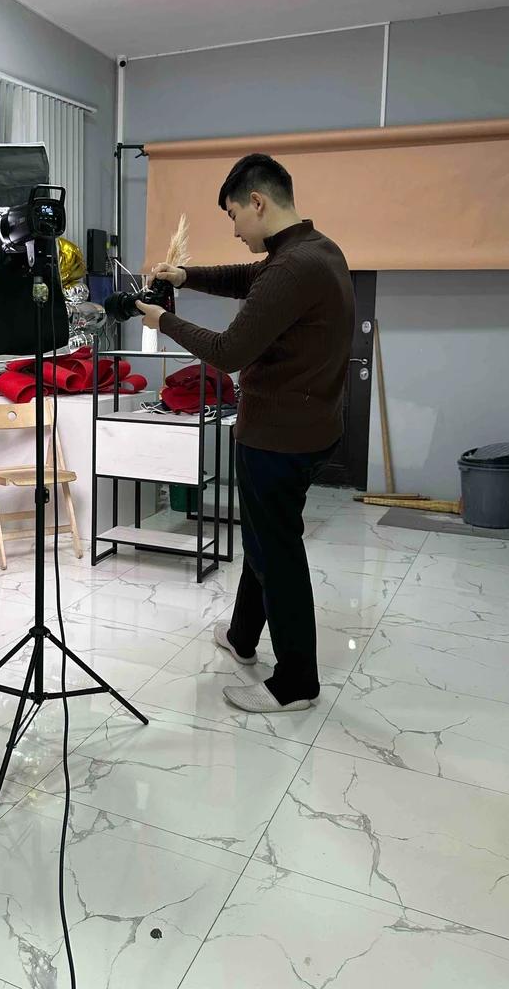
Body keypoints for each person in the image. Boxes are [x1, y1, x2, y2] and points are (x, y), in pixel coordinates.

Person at [137, 154, 354, 715]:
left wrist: (164, 322)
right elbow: (246, 278)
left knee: (274, 552)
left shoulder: (292, 268)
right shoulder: (316, 250)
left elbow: (230, 351)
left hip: (279, 436)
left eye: (234, 215)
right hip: (311, 427)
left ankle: (297, 683)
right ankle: (241, 636)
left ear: (257, 202)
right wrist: (187, 277)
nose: (234, 229)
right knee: (264, 538)